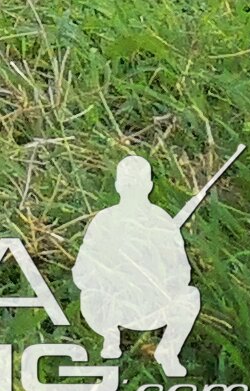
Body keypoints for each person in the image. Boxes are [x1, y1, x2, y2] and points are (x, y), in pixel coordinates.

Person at [71, 156, 201, 375]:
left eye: (137, 184)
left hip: (152, 305)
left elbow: (181, 272)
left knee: (190, 296)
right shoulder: (105, 220)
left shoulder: (161, 221)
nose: (133, 189)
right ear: (119, 186)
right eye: (129, 184)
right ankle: (110, 339)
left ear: (148, 186)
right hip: (112, 304)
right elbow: (83, 270)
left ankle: (168, 351)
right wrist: (112, 276)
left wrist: (159, 273)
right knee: (91, 295)